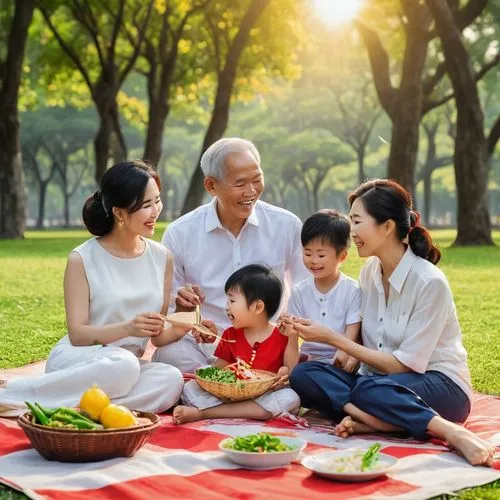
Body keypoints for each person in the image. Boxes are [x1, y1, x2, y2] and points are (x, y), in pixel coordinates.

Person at [287, 179, 496, 467]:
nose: (352, 231)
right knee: (304, 374)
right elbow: (369, 339)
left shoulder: (429, 282)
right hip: (380, 382)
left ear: (386, 227)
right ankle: (376, 422)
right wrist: (351, 347)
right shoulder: (370, 272)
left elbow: (402, 366)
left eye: (357, 221)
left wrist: (334, 339)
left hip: (440, 386)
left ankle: (448, 430)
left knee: (370, 390)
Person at [0, 161, 186, 416]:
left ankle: (75, 409)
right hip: (81, 359)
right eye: (146, 205)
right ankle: (12, 395)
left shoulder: (162, 257)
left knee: (171, 380)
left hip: (122, 369)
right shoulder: (82, 258)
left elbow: (158, 336)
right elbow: (78, 334)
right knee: (124, 364)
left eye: (158, 201)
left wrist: (184, 322)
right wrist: (128, 328)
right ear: (120, 213)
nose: (156, 211)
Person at [152, 138, 308, 373]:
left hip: (266, 348)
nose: (251, 191)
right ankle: (226, 387)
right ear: (211, 185)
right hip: (206, 347)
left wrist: (284, 334)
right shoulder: (180, 233)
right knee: (168, 355)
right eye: (240, 183)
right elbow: (169, 312)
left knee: (299, 373)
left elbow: (304, 289)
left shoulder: (286, 225)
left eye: (257, 180)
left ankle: (209, 392)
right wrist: (184, 307)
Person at [172, 264, 301, 424]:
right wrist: (210, 342)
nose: (227, 307)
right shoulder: (230, 334)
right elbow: (219, 370)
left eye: (232, 300)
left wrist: (293, 338)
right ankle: (237, 411)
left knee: (290, 398)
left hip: (264, 396)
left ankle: (204, 413)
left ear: (258, 307)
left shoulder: (281, 335)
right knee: (191, 387)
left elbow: (290, 369)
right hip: (231, 396)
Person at [284, 210, 361, 369]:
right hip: (309, 363)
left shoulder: (352, 290)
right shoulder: (299, 291)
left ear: (342, 256)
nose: (313, 261)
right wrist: (290, 373)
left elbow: (350, 334)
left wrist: (340, 360)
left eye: (320, 255)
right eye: (307, 253)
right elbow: (292, 342)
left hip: (341, 362)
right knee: (301, 374)